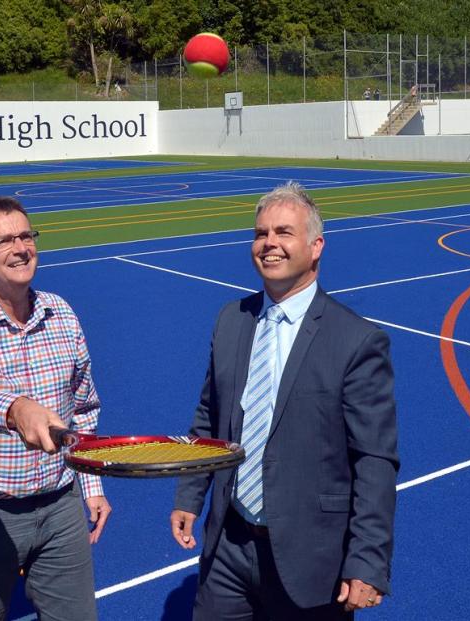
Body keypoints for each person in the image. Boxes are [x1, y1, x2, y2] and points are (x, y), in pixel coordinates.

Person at [170, 182, 398, 620]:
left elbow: (373, 459)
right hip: (229, 547)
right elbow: (209, 418)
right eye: (261, 233)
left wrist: (367, 561)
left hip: (310, 556)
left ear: (316, 247)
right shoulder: (231, 320)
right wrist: (190, 496)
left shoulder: (356, 340)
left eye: (283, 232)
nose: (269, 243)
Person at [0, 196, 111, 621]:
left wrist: (92, 487)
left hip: (60, 510)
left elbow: (84, 408)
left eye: (26, 235)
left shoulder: (61, 314)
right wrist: (14, 409)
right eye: (4, 241)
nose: (21, 247)